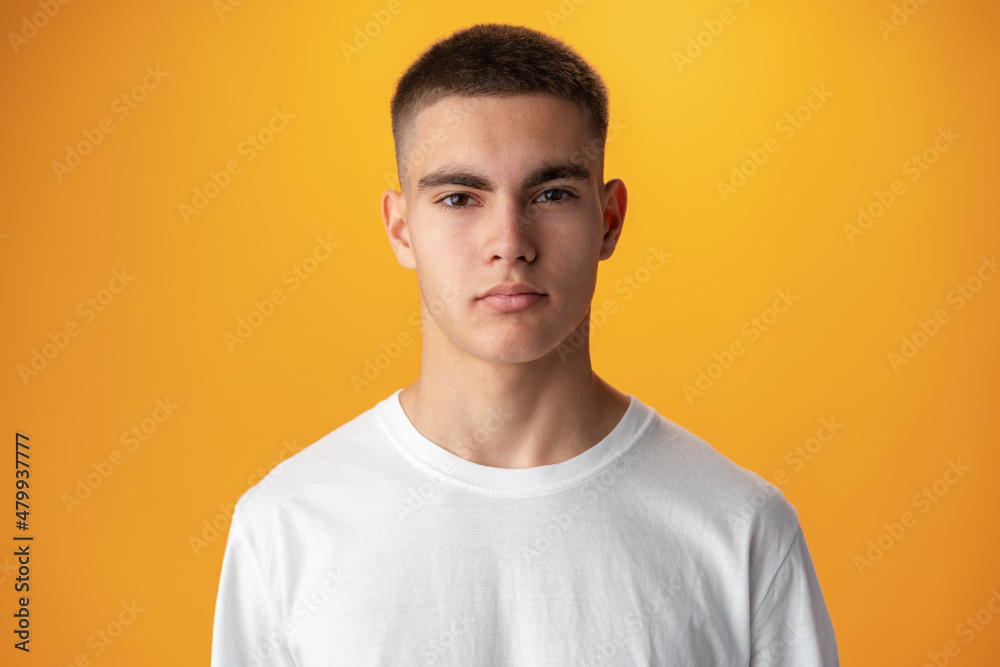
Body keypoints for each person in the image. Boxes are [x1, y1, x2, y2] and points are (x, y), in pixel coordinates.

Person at [211, 22, 839, 666]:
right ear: (402, 230)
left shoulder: (741, 530)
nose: (509, 240)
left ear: (609, 220)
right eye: (459, 197)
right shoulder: (286, 527)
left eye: (552, 194)